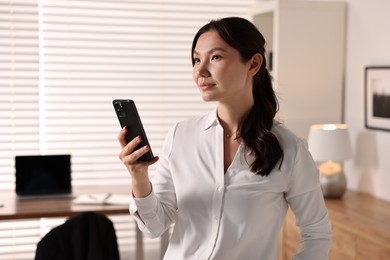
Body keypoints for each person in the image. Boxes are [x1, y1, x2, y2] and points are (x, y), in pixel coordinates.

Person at [118, 17, 332, 260]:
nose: (200, 71)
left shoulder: (289, 149)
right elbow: (155, 226)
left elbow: (317, 234)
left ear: (253, 64)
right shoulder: (180, 135)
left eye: (215, 57)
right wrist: (138, 176)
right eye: (197, 59)